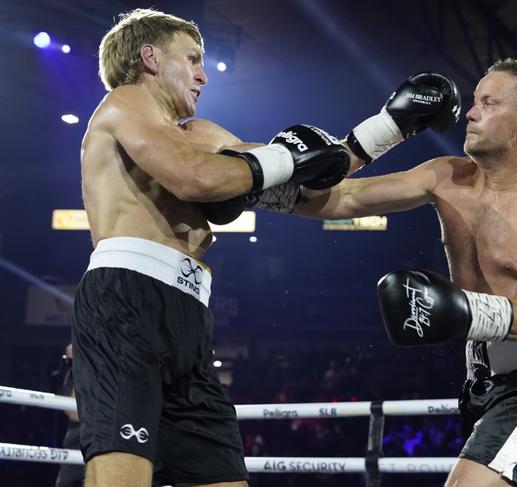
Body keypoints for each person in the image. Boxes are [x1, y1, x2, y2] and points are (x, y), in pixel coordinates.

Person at [72, 7, 459, 487]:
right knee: (121, 477)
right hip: (127, 299)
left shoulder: (203, 136)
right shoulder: (125, 102)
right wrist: (284, 158)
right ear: (149, 58)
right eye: (192, 59)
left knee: (221, 477)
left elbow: (320, 193)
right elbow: (192, 178)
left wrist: (396, 133)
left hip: (188, 315)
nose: (203, 75)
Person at [262, 58, 517, 486]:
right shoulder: (445, 176)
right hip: (483, 381)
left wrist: (463, 310)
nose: (471, 113)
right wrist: (258, 187)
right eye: (474, 102)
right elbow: (343, 199)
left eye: (489, 104)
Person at [53, 344, 84, 487]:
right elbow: (74, 413)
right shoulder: (72, 373)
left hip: (106, 441)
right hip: (77, 440)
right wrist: (81, 364)